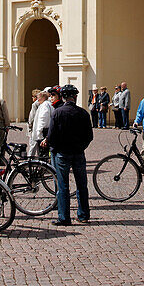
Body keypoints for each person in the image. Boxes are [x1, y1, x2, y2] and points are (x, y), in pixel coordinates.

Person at [46, 84, 93, 226]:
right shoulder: (83, 113)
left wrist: (56, 149)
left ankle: (64, 217)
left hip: (62, 153)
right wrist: (81, 147)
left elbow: (51, 136)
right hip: (78, 152)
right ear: (75, 97)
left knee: (63, 185)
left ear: (63, 97)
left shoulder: (58, 113)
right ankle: (83, 215)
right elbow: (89, 136)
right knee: (82, 185)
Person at [33, 87, 62, 159]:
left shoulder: (45, 105)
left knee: (44, 155)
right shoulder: (50, 105)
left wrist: (39, 133)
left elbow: (43, 120)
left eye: (38, 97)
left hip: (44, 133)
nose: (37, 99)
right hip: (48, 133)